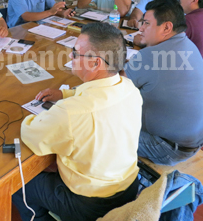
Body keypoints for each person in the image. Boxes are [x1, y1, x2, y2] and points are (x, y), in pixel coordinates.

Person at [13, 23, 143, 221]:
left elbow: (31, 134)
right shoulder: (129, 87)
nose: (70, 56)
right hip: (128, 187)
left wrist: (46, 114)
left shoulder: (71, 112)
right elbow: (98, 96)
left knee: (19, 186)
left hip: (90, 203)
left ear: (95, 63)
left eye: (75, 52)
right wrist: (66, 94)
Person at [125, 0, 203, 166]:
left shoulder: (151, 56)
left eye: (146, 24)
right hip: (196, 139)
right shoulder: (188, 45)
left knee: (102, 125)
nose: (141, 28)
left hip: (168, 149)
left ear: (166, 27)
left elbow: (113, 89)